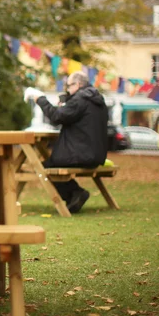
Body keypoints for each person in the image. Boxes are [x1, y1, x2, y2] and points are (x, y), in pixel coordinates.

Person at [26, 71, 108, 213]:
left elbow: (56, 117)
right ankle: (74, 196)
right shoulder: (96, 99)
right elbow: (73, 112)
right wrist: (66, 100)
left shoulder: (80, 99)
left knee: (44, 167)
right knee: (50, 163)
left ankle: (76, 193)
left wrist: (40, 99)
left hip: (81, 154)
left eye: (68, 86)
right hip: (96, 155)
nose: (67, 89)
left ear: (77, 84)